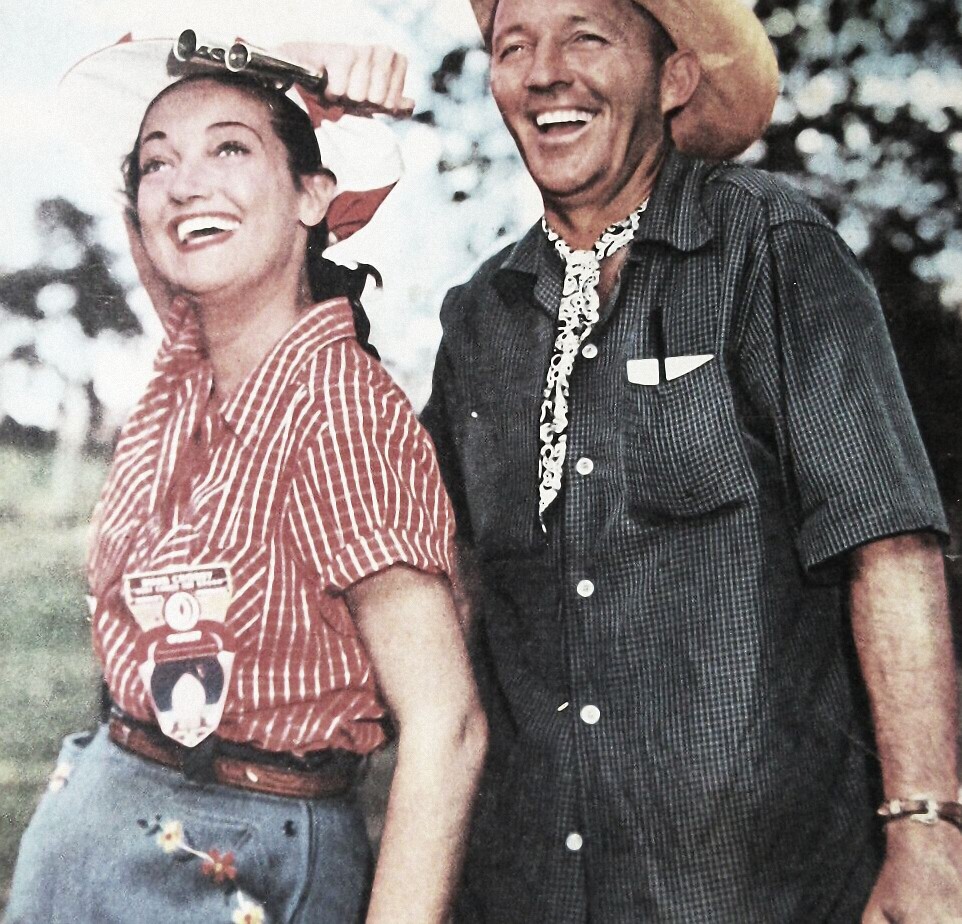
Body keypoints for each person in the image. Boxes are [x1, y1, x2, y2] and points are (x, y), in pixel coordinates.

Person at [420, 0, 962, 920]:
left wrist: (927, 831)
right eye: (514, 46)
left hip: (761, 895)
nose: (545, 72)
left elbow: (892, 547)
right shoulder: (478, 320)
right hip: (528, 895)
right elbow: (444, 595)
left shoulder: (771, 246)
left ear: (674, 79)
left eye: (586, 36)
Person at [6, 34, 486, 924]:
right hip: (95, 819)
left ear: (313, 194)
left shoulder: (338, 411)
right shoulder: (191, 359)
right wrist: (273, 60)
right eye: (157, 162)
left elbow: (447, 727)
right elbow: (157, 214)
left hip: (245, 852)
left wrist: (299, 67)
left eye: (231, 148)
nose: (185, 185)